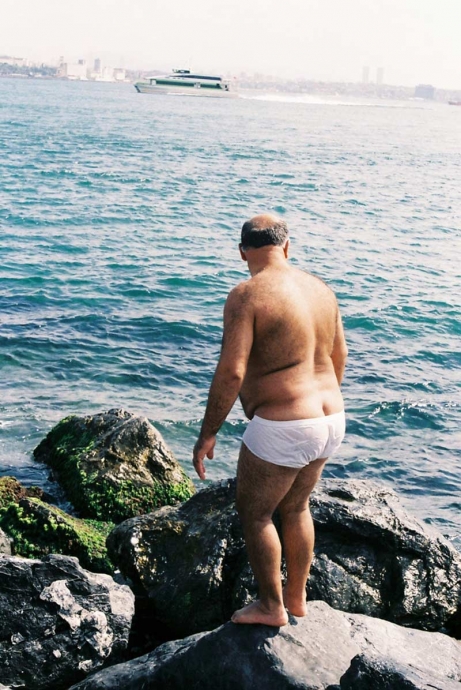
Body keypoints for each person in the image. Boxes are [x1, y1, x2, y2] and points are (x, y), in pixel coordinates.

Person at [192, 214, 347, 627]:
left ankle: (270, 606)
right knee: (296, 506)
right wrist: (316, 413)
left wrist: (208, 433)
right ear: (286, 246)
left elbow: (232, 372)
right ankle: (297, 598)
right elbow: (339, 357)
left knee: (256, 514)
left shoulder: (246, 296)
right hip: (332, 417)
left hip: (285, 424)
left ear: (242, 252)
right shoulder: (321, 289)